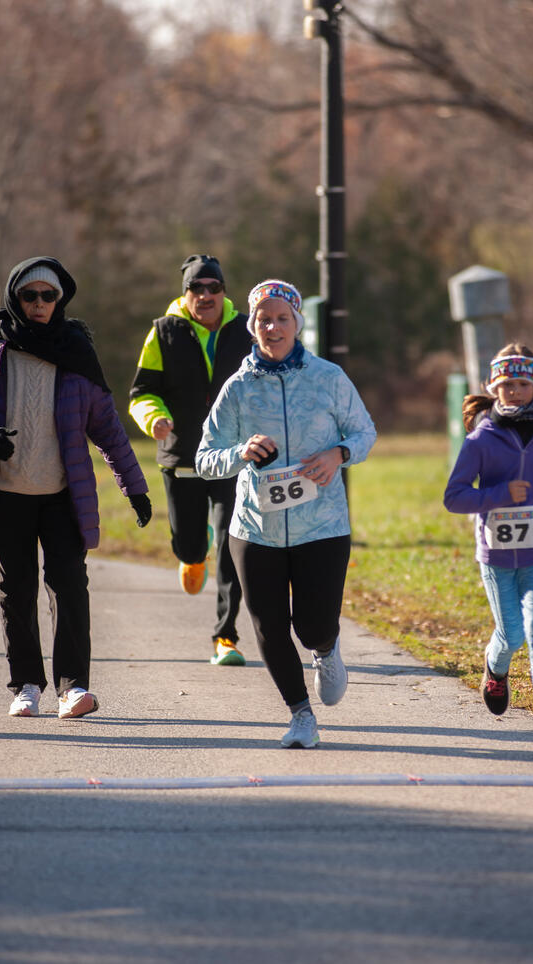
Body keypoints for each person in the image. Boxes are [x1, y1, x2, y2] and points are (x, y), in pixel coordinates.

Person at [195, 279, 376, 748]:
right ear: (252, 325)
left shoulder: (329, 379)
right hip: (256, 528)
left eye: (281, 318)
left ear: (297, 323)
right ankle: (300, 714)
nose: (272, 327)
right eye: (263, 319)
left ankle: (326, 647)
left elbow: (364, 433)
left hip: (323, 524)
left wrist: (338, 454)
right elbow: (204, 457)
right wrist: (240, 452)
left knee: (312, 624)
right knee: (268, 625)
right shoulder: (237, 389)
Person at [0, 257, 151, 719]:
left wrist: (135, 487)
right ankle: (26, 685)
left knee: (68, 586)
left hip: (63, 494)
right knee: (16, 591)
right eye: (30, 296)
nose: (40, 304)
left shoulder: (77, 352)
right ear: (15, 299)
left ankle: (72, 687)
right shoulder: (0, 348)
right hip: (8, 496)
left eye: (49, 296)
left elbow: (107, 428)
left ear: (60, 300)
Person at [444, 344, 533, 756]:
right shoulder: (480, 440)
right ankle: (496, 666)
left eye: (522, 384)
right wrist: (500, 494)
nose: (514, 392)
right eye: (506, 385)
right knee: (511, 634)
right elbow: (455, 497)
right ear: (494, 387)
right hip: (498, 554)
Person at [129, 254, 252, 666]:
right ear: (185, 293)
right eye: (196, 288)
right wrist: (154, 418)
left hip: (234, 457)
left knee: (233, 546)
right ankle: (191, 555)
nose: (205, 295)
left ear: (223, 292)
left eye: (212, 287)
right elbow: (141, 391)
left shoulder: (245, 330)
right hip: (182, 456)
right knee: (191, 542)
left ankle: (226, 636)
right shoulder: (164, 332)